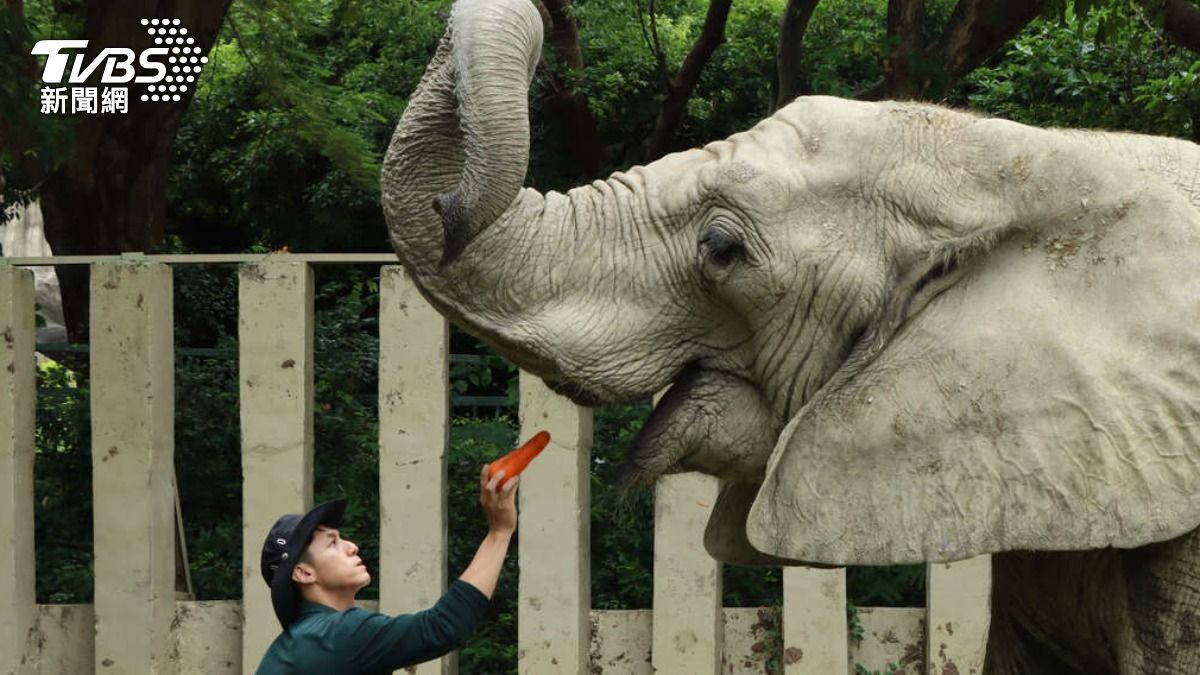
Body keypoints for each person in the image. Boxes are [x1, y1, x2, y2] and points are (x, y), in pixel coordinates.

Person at [255, 466, 518, 674]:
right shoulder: (335, 634)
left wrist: (392, 651)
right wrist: (499, 532)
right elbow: (444, 628)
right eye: (332, 543)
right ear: (304, 573)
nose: (352, 547)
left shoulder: (319, 635)